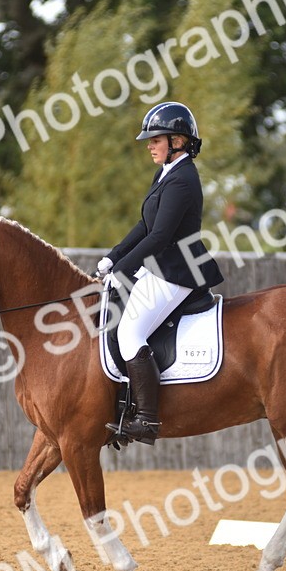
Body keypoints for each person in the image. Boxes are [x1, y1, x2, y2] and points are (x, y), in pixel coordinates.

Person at [96, 102, 224, 444]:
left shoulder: (183, 180)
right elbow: (144, 224)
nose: (149, 145)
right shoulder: (165, 173)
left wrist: (124, 270)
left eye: (156, 139)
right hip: (160, 268)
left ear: (178, 141)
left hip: (177, 272)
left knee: (129, 333)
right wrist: (114, 257)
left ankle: (148, 421)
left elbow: (161, 236)